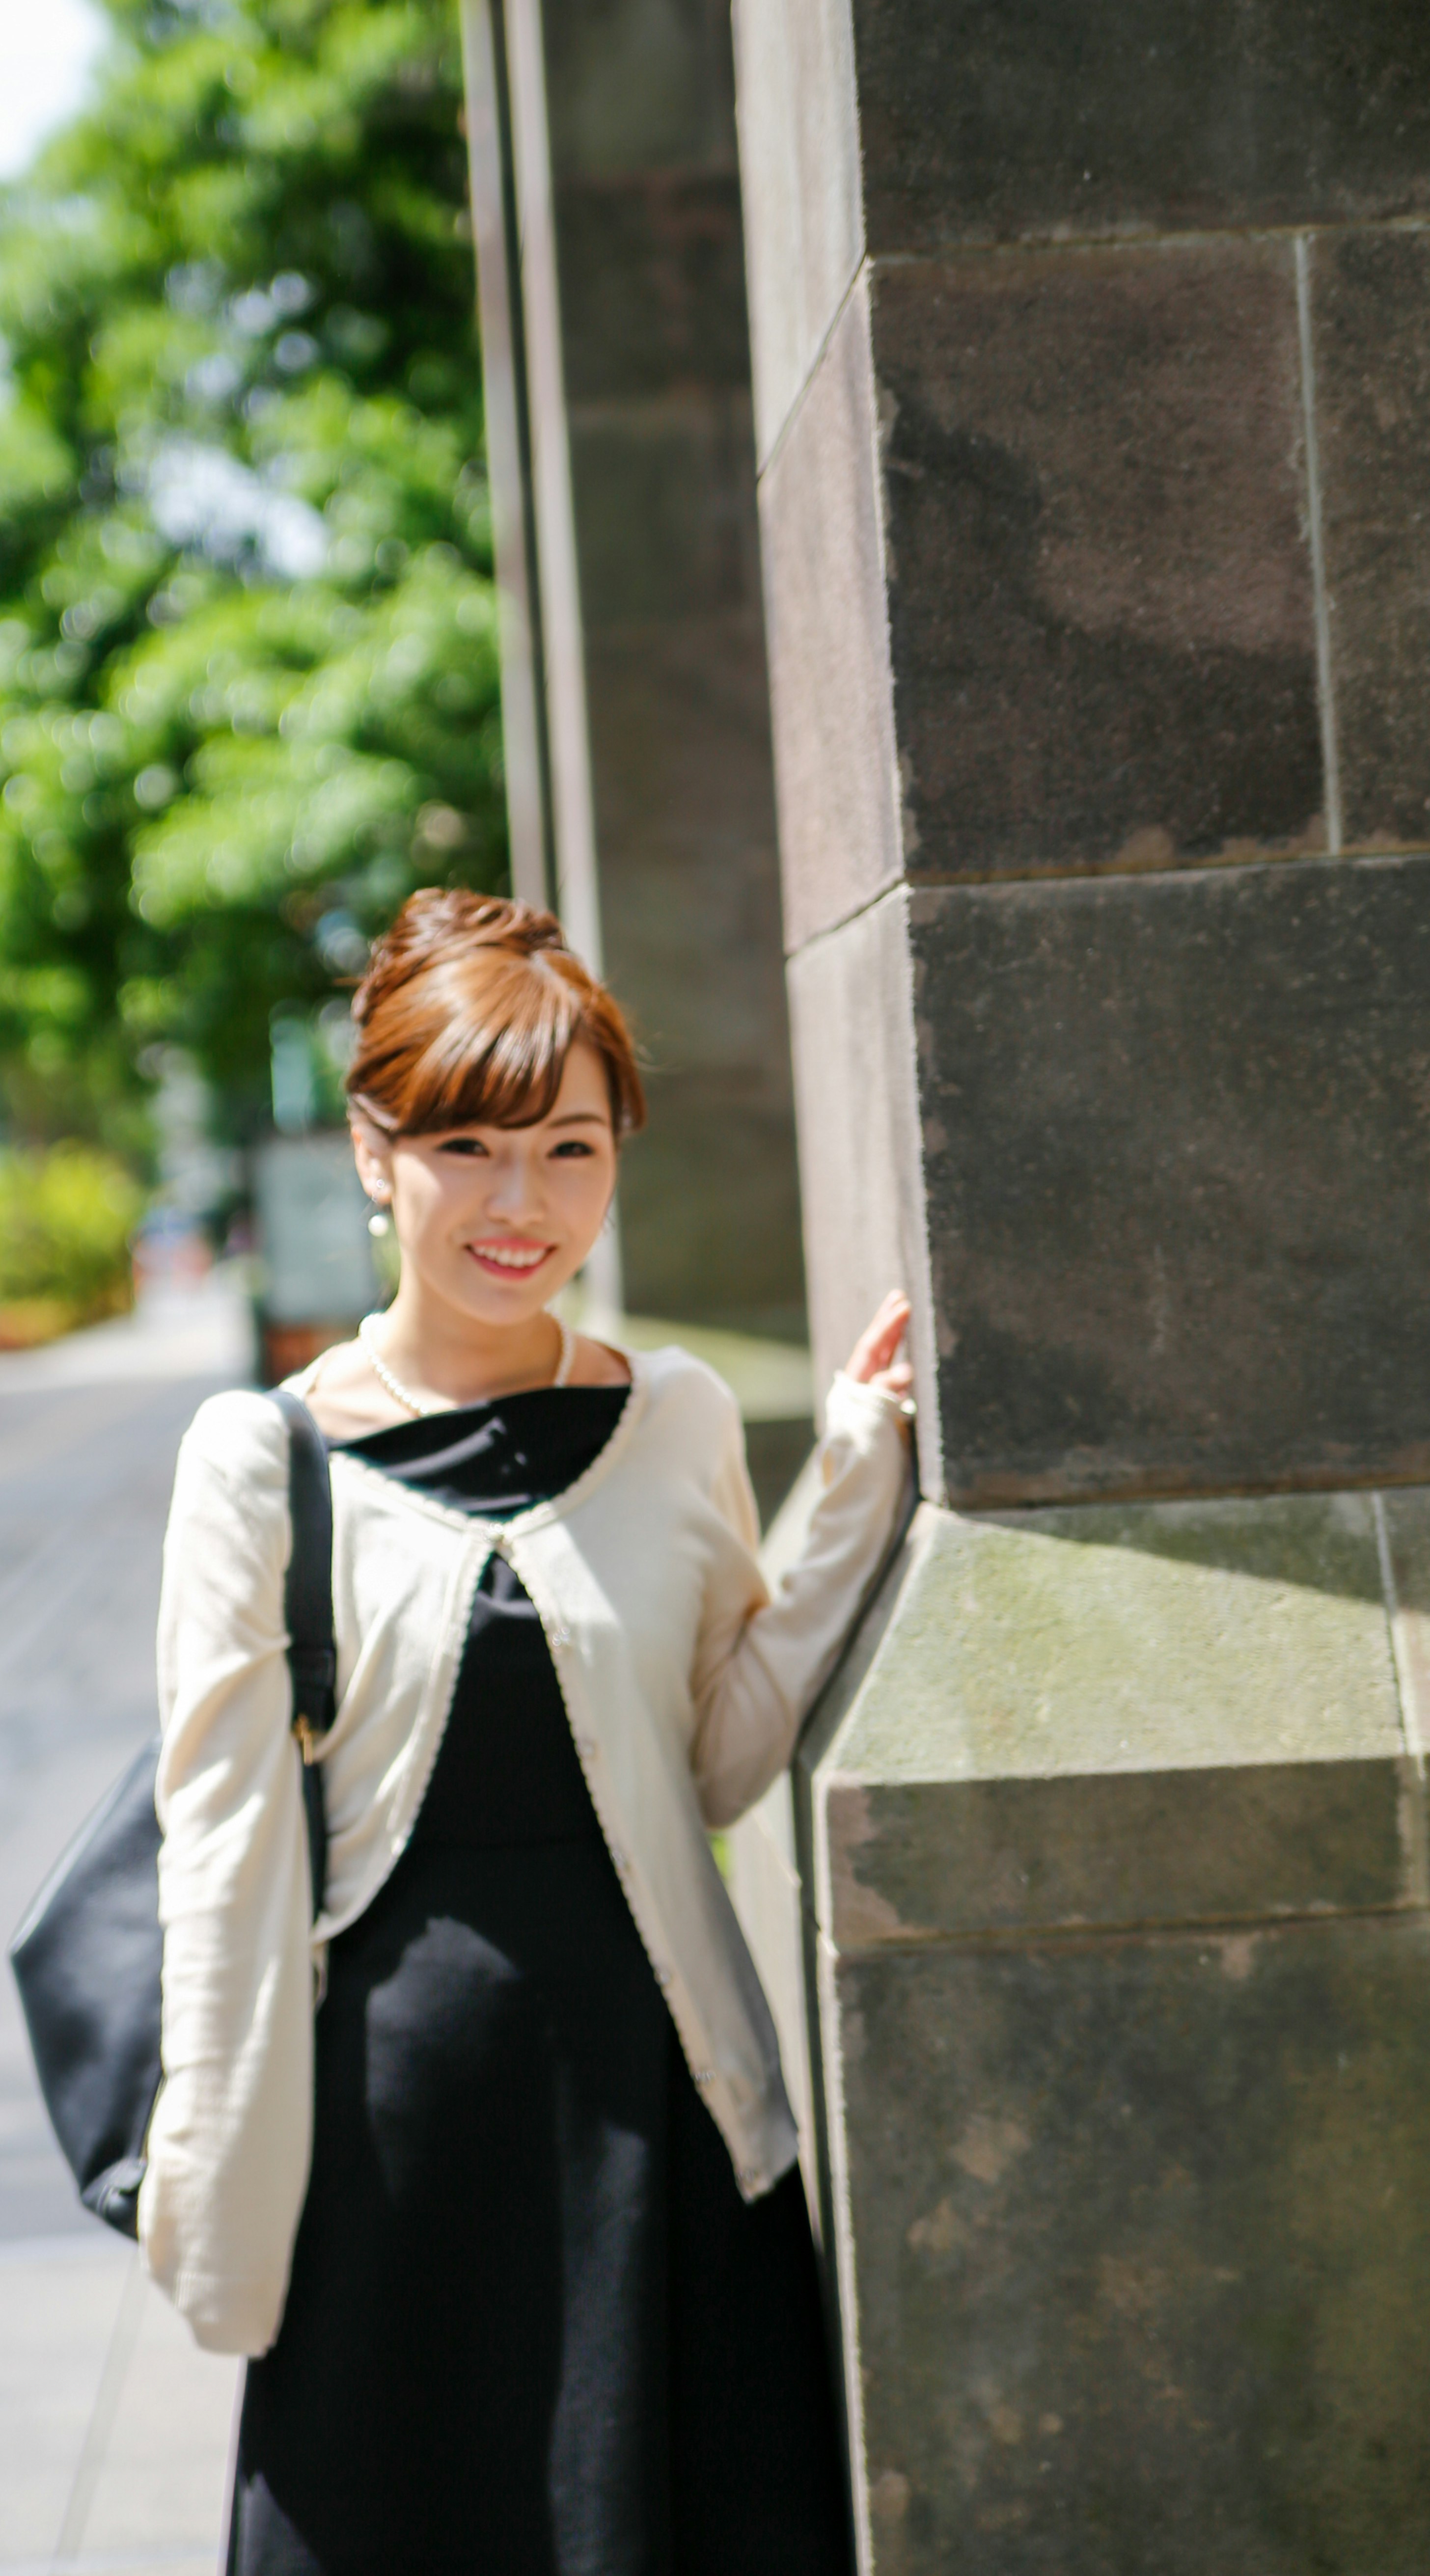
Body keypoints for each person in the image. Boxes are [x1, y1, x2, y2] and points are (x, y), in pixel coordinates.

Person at [142, 891, 914, 2576]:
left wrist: (854, 1486)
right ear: (375, 1151)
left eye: (570, 1149)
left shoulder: (674, 1416)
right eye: (470, 1148)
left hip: (658, 2107)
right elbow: (223, 1851)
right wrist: (217, 2206)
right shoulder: (262, 1461)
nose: (522, 1204)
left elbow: (715, 1758)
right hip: (396, 2142)